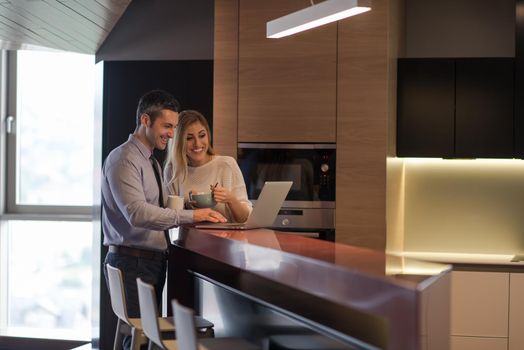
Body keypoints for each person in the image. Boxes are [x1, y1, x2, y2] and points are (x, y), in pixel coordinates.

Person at [101, 90, 226, 350]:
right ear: (145, 120)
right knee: (139, 341)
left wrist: (188, 203)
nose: (171, 134)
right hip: (132, 263)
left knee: (141, 340)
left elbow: (153, 206)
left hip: (145, 263)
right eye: (167, 126)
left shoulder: (151, 162)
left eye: (173, 127)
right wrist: (192, 215)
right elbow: (137, 213)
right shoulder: (124, 159)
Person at [164, 110, 252, 223]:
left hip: (226, 238)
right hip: (188, 239)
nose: (198, 143)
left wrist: (230, 199)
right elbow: (170, 219)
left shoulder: (227, 164)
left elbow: (245, 219)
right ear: (178, 142)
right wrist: (187, 207)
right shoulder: (172, 171)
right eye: (189, 138)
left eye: (202, 135)